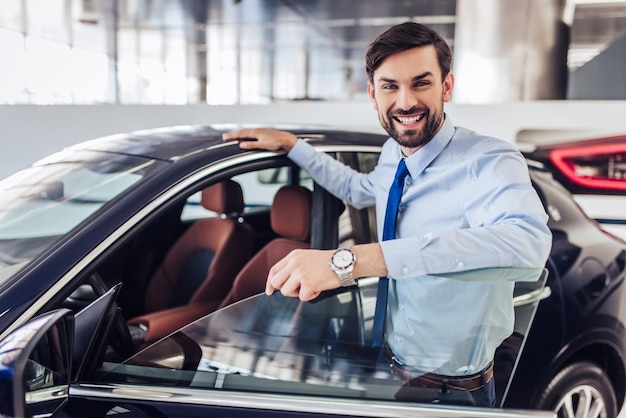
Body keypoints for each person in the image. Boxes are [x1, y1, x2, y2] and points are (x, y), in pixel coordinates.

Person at [222, 21, 552, 407]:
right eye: (390, 86)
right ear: (373, 93)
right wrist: (295, 147)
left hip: (453, 391)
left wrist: (352, 261)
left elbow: (528, 244)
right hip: (388, 369)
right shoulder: (392, 153)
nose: (406, 102)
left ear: (446, 86)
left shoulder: (490, 160)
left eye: (421, 83)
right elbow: (358, 190)